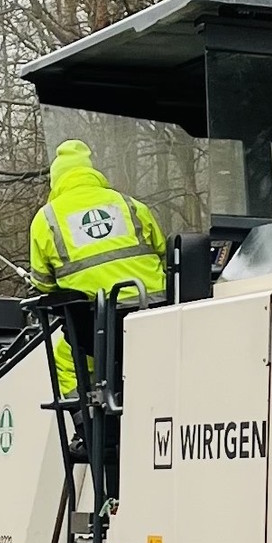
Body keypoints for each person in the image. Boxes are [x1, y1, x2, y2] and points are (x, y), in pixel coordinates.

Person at [27, 140, 167, 395]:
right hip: (157, 314)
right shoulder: (130, 205)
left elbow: (43, 282)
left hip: (101, 325)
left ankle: (88, 426)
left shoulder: (46, 219)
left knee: (66, 358)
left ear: (56, 179)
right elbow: (162, 252)